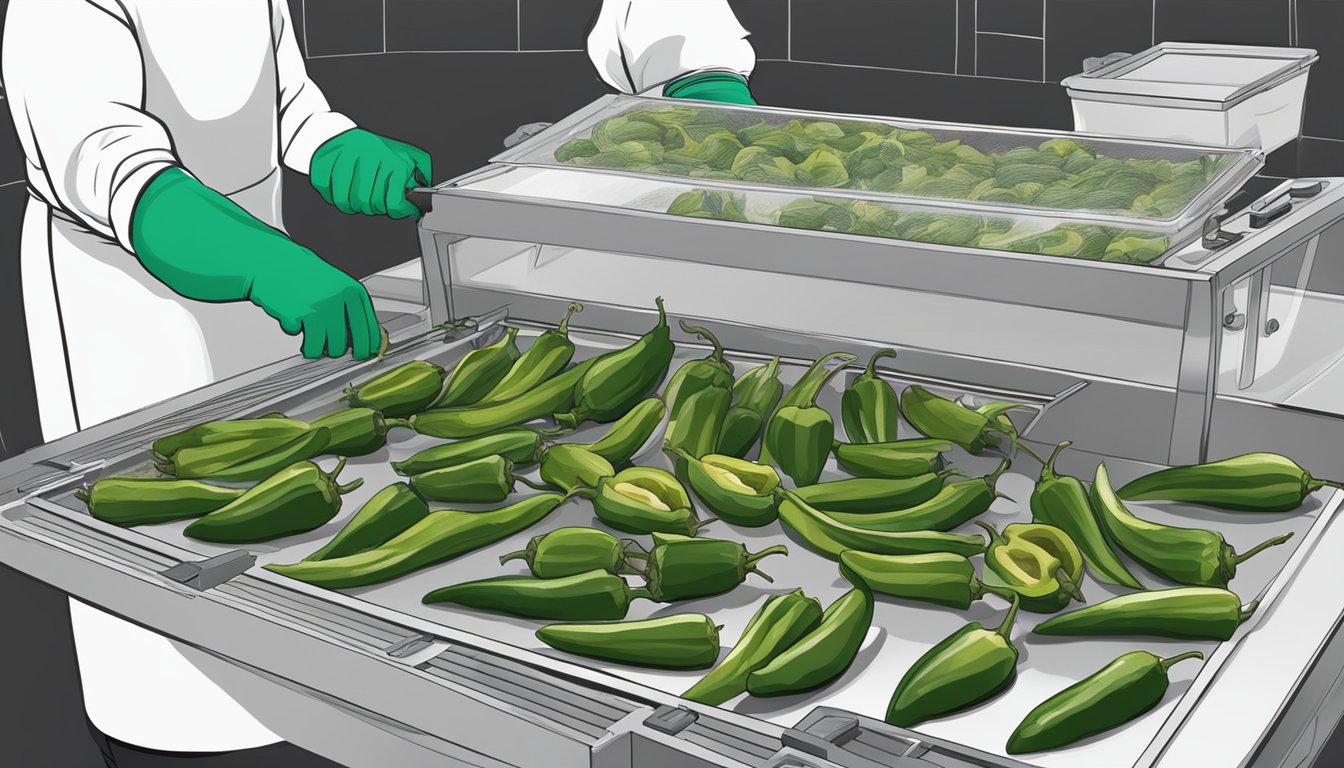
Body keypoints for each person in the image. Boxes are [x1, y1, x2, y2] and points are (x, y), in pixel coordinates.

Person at [1, 0, 758, 765]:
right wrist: (260, 262)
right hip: (133, 301)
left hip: (260, 277)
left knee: (282, 534)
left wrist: (333, 145)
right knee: (162, 631)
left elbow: (284, 101)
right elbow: (106, 165)